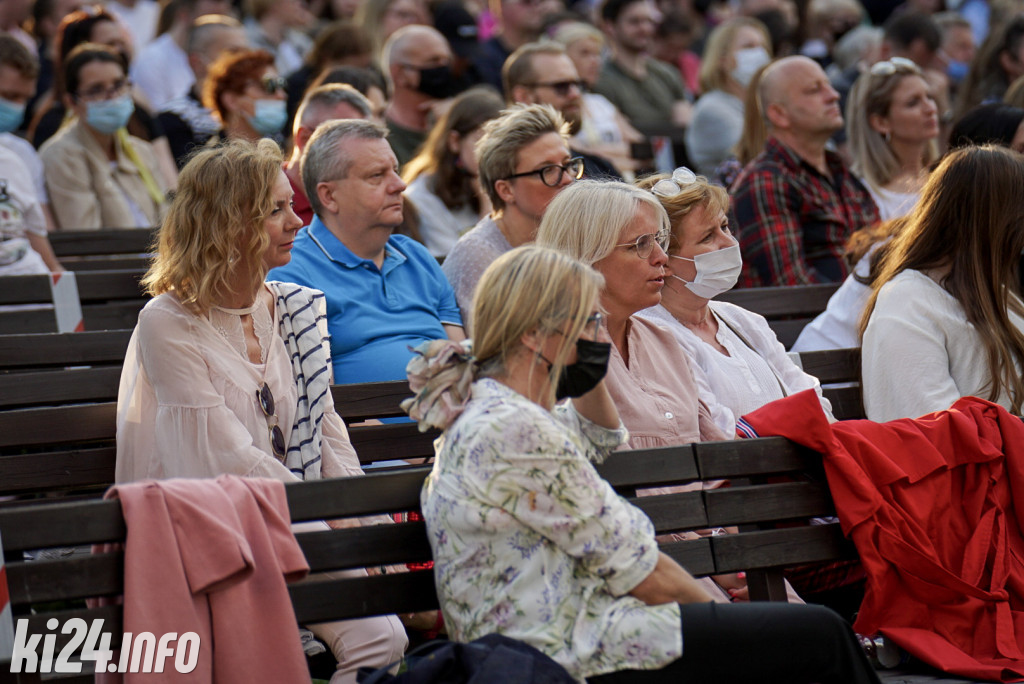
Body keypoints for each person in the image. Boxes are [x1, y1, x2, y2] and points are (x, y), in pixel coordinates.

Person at [410, 243, 884, 684]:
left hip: (560, 629)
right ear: (536, 336)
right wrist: (733, 637)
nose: (602, 338)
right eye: (589, 322)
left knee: (809, 632)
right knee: (818, 633)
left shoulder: (499, 411)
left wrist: (588, 369)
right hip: (563, 647)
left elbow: (598, 437)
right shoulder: (517, 431)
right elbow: (641, 568)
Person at [116, 138, 408, 684]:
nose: (296, 220)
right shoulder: (168, 320)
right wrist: (326, 529)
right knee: (371, 640)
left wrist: (367, 526)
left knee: (386, 638)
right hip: (219, 530)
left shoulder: (293, 306)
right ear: (227, 224)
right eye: (273, 211)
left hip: (294, 518)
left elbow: (326, 433)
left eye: (290, 204)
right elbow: (221, 455)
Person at [635, 167, 831, 433]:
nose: (729, 243)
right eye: (708, 237)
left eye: (725, 226)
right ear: (663, 259)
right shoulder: (654, 333)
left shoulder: (744, 320)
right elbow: (719, 432)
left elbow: (814, 401)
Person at [266, 119, 464, 383]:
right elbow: (318, 401)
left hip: (452, 418)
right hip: (364, 422)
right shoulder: (292, 270)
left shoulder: (417, 257)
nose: (399, 185)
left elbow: (462, 360)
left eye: (395, 171)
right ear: (329, 196)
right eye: (376, 176)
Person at [860, 145, 1024, 422]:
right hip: (976, 462)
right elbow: (927, 430)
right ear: (993, 221)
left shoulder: (1002, 296)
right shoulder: (907, 303)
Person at [730, 56, 880, 287]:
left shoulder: (842, 173)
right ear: (779, 114)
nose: (834, 96)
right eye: (814, 90)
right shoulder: (766, 181)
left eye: (828, 86)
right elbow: (791, 285)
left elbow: (883, 252)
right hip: (811, 320)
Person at [442, 103, 581, 325]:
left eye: (567, 165)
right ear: (505, 190)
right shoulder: (477, 258)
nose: (567, 179)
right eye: (547, 170)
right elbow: (489, 353)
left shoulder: (577, 238)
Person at [39, 43, 168, 229]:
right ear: (71, 102)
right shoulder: (61, 156)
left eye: (118, 85)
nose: (112, 96)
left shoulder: (141, 150)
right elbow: (86, 239)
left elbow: (169, 221)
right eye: (96, 90)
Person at [402, 86, 504, 257]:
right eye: (483, 143)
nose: (493, 154)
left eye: (501, 144)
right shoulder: (423, 196)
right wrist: (488, 203)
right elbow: (465, 264)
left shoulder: (508, 182)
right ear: (455, 141)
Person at [503, 41, 623, 180]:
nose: (575, 94)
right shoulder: (511, 170)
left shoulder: (598, 165)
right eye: (562, 86)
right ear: (523, 96)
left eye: (577, 85)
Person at [846, 56, 939, 221]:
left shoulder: (945, 178)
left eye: (929, 96)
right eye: (913, 103)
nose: (930, 108)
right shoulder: (863, 195)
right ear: (881, 122)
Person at [551, 22, 646, 178]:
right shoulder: (555, 102)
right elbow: (572, 152)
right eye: (585, 53)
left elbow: (640, 147)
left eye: (597, 54)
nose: (595, 61)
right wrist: (618, 155)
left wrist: (594, 152)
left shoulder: (600, 102)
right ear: (563, 58)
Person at [157, 14, 249, 167]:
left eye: (246, 53)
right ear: (197, 63)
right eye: (233, 53)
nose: (244, 62)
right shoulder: (174, 118)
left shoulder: (253, 109)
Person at [686, 17, 772, 177]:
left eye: (763, 46)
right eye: (749, 46)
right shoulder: (711, 109)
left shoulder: (764, 103)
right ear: (722, 60)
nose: (760, 54)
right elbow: (757, 155)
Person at [595, 0, 694, 132]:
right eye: (634, 22)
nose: (645, 28)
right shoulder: (601, 79)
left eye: (649, 21)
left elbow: (685, 125)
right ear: (609, 26)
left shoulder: (668, 73)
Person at [285, 83, 374, 225]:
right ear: (305, 140)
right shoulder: (262, 203)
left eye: (366, 143)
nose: (361, 156)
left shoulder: (362, 204)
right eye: (347, 143)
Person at [130, 0, 233, 110]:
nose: (218, 28)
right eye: (209, 19)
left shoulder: (222, 57)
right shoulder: (151, 60)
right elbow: (157, 120)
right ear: (184, 14)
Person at [381, 25, 457, 167]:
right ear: (400, 73)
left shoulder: (457, 121)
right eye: (433, 61)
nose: (443, 68)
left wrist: (452, 123)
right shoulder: (380, 134)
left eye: (447, 61)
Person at [202, 48, 288, 143]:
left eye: (281, 84)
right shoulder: (212, 157)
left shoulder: (288, 150)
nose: (281, 95)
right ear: (231, 100)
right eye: (268, 85)